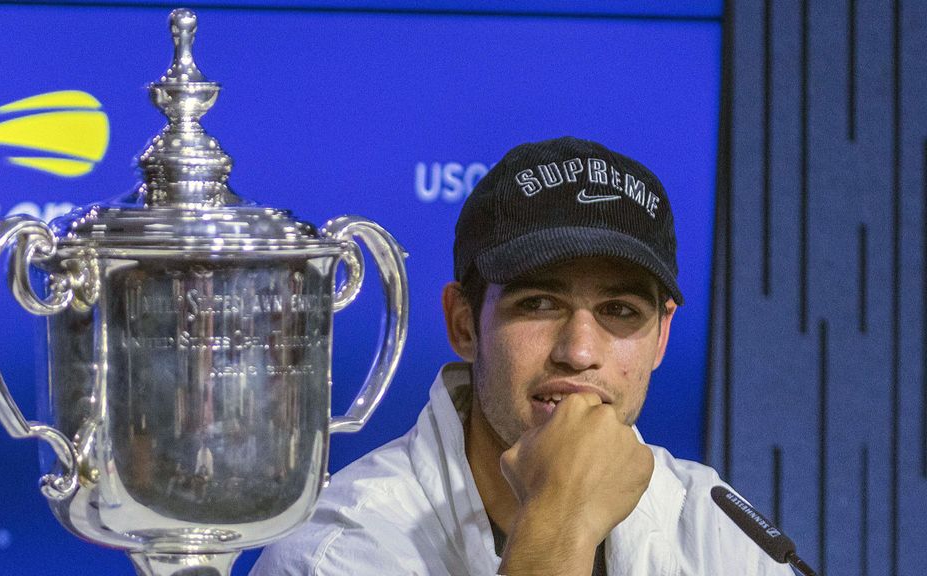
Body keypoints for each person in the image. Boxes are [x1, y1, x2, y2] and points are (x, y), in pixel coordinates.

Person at [251, 137, 793, 575]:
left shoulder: (721, 535)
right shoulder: (337, 554)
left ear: (661, 338)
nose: (579, 352)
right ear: (464, 324)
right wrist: (557, 519)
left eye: (621, 311)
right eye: (538, 303)